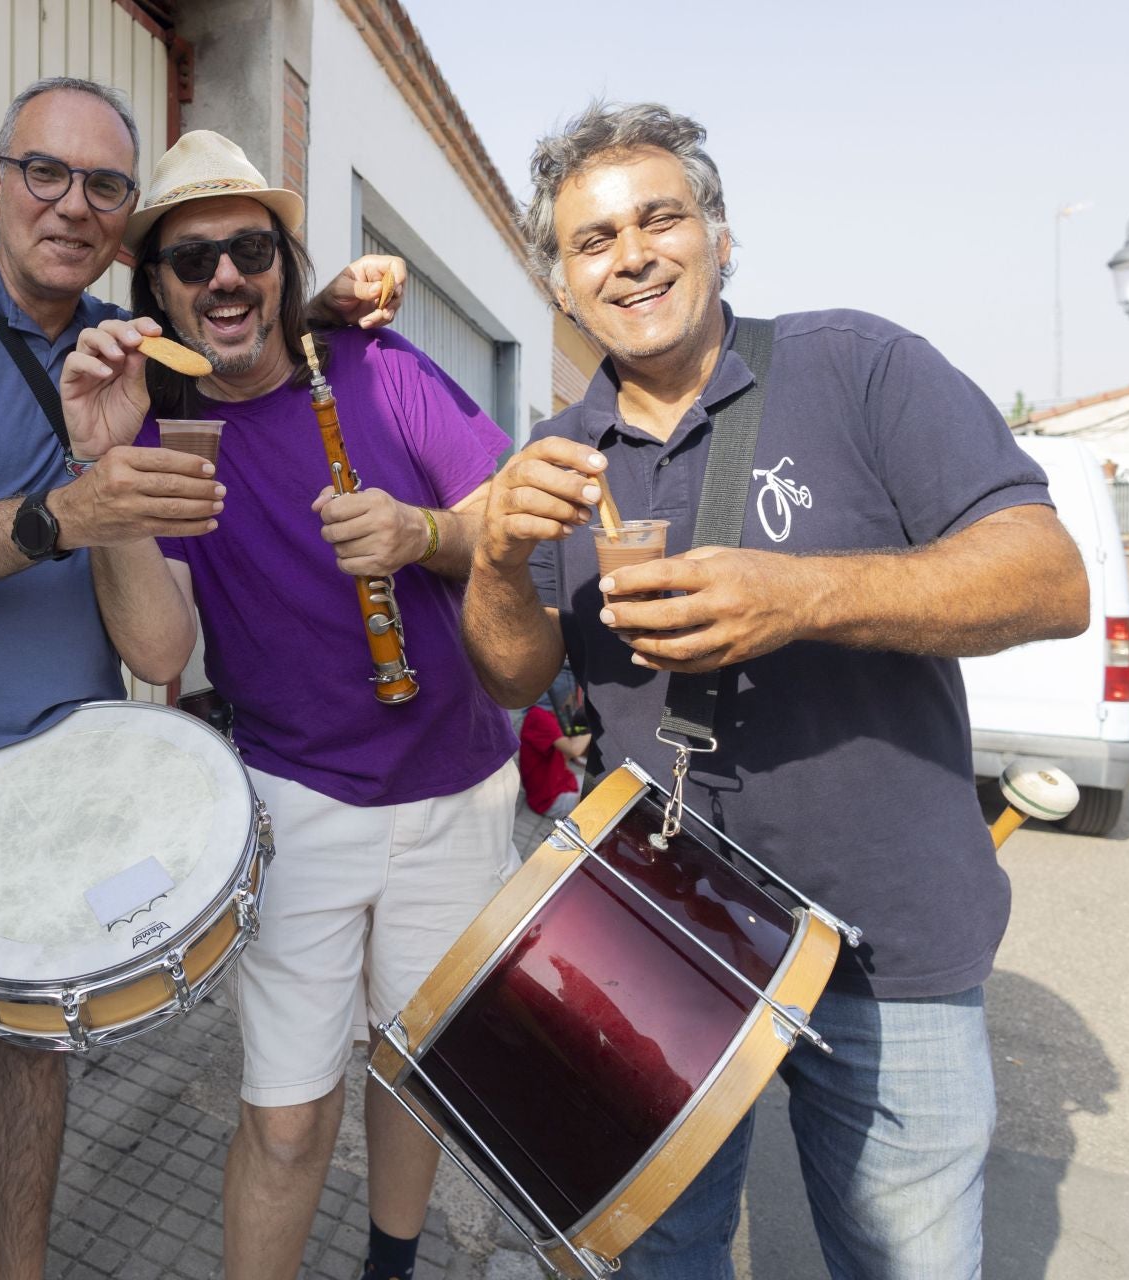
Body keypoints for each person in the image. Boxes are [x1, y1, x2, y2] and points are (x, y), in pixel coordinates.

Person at [0, 79, 405, 1280]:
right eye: (45, 172)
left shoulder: (145, 356)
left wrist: (328, 305)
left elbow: (247, 345)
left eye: (105, 185)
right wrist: (63, 511)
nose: (72, 204)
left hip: (71, 779)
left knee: (33, 1078)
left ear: (126, 224)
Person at [462, 102, 1089, 1279]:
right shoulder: (559, 451)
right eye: (594, 240)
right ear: (561, 285)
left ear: (720, 236)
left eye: (660, 219)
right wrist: (497, 554)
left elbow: (1050, 577)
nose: (631, 255)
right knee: (664, 1257)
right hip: (659, 938)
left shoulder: (857, 367)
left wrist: (800, 596)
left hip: (886, 949)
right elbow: (513, 671)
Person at [56, 129, 519, 1280]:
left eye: (250, 250)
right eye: (192, 258)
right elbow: (159, 646)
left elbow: (507, 520)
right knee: (285, 1116)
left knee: (417, 1069)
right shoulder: (162, 435)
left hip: (457, 788)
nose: (225, 275)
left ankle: (391, 1267)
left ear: (282, 266)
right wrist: (105, 476)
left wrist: (423, 532)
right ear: (159, 291)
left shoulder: (379, 367)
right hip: (295, 799)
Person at [518, 667, 590, 819]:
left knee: (601, 785)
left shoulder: (551, 714)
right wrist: (595, 722)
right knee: (599, 803)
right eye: (570, 694)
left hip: (563, 781)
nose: (572, 698)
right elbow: (574, 750)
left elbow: (572, 753)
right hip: (548, 799)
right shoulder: (539, 717)